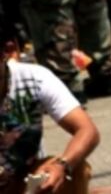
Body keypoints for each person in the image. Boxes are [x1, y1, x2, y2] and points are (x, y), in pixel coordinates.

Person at [1, 37, 99, 194]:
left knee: (76, 169)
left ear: (8, 50)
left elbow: (87, 130)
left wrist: (62, 165)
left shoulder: (34, 77)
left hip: (24, 180)